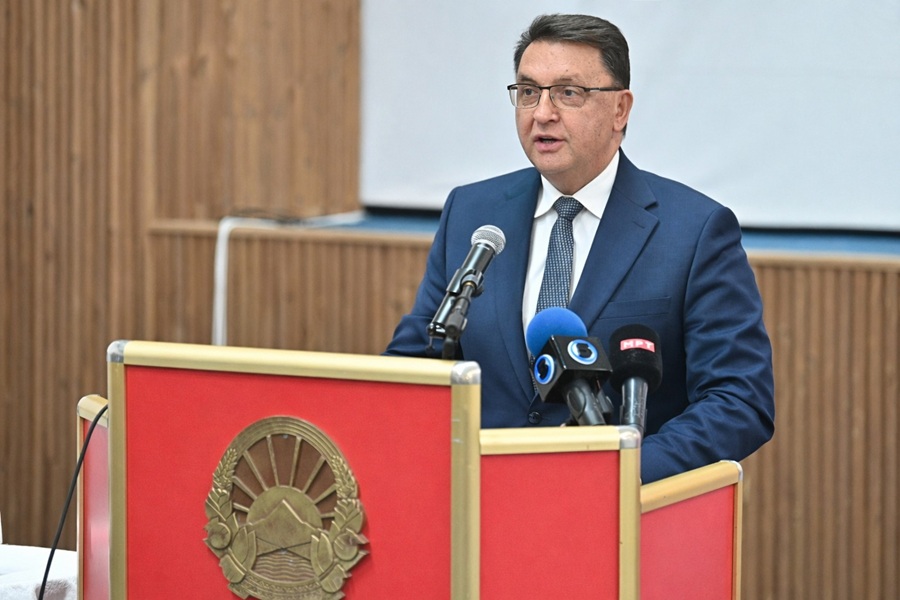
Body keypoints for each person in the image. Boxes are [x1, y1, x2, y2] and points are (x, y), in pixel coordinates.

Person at [385, 13, 774, 483]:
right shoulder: (472, 214)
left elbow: (739, 400)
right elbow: (415, 364)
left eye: (568, 93)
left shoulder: (694, 231)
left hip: (617, 509)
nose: (542, 113)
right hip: (479, 500)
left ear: (620, 109)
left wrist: (617, 474)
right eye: (528, 91)